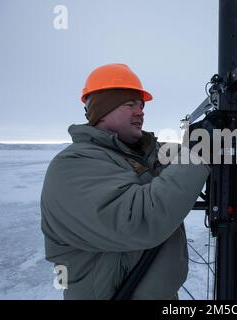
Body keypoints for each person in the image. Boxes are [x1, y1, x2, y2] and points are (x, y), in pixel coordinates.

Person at [41, 63, 210, 299]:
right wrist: (198, 153)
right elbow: (138, 219)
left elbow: (172, 154)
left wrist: (208, 139)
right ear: (102, 111)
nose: (140, 112)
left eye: (141, 105)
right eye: (130, 104)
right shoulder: (72, 164)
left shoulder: (140, 151)